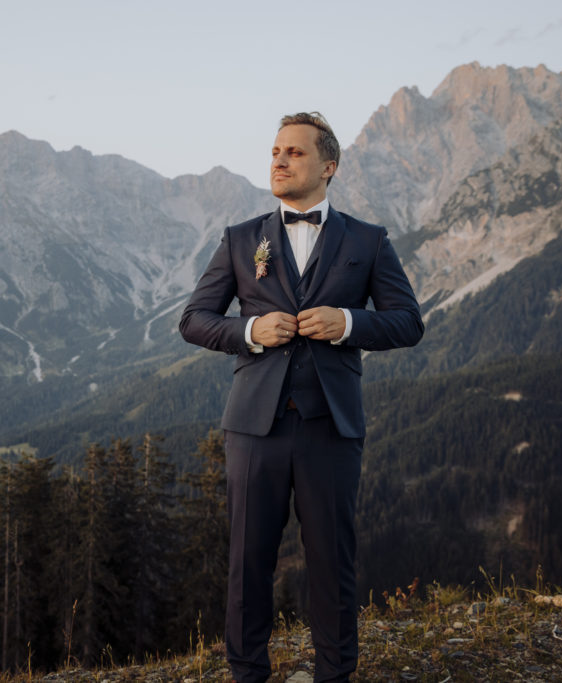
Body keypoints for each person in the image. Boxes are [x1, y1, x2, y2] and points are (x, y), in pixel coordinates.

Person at [179, 112, 423, 682]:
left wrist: (346, 322)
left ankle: (335, 675)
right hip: (253, 426)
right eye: (274, 151)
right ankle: (247, 674)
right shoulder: (242, 239)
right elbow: (194, 319)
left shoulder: (368, 240)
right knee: (247, 562)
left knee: (332, 562)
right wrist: (247, 332)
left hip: (331, 427)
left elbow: (408, 322)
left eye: (294, 152)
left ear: (328, 166)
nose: (279, 160)